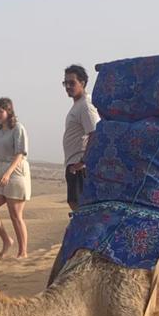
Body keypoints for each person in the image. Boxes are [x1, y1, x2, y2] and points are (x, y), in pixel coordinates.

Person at [0, 98, 31, 259]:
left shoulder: (18, 128)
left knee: (15, 215)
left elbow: (20, 154)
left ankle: (23, 252)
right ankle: (6, 239)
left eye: (0, 111)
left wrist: (8, 173)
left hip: (15, 172)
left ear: (8, 111)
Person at [62, 64, 100, 210]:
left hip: (80, 165)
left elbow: (95, 133)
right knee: (75, 204)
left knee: (81, 206)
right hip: (73, 163)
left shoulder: (86, 105)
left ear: (82, 83)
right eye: (66, 83)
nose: (68, 86)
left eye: (72, 82)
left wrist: (83, 161)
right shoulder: (78, 105)